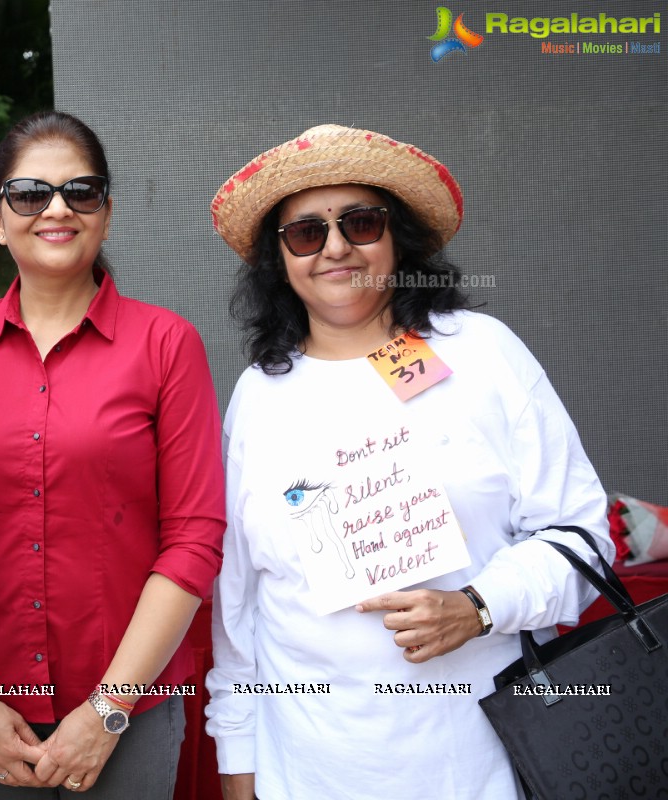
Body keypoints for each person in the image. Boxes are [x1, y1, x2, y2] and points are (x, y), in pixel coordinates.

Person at [204, 124, 612, 800]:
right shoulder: (259, 396)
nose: (335, 247)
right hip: (304, 771)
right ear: (280, 261)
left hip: (479, 766)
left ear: (398, 239)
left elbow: (584, 537)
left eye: (360, 223)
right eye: (306, 233)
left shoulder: (482, 354)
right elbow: (239, 606)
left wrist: (479, 606)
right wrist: (238, 766)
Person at [0, 110, 225, 798]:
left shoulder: (167, 344)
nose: (57, 209)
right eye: (30, 194)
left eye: (81, 192)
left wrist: (107, 712)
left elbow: (194, 540)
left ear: (107, 213)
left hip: (129, 711)